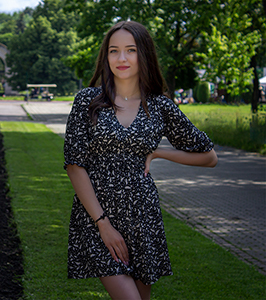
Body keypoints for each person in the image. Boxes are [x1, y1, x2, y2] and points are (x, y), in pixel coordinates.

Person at [63, 21, 218, 300]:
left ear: (143, 54)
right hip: (97, 217)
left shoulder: (160, 106)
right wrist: (103, 223)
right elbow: (74, 165)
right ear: (105, 56)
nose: (121, 59)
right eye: (114, 51)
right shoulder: (87, 101)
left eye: (130, 50)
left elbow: (209, 157)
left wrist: (159, 152)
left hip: (143, 217)